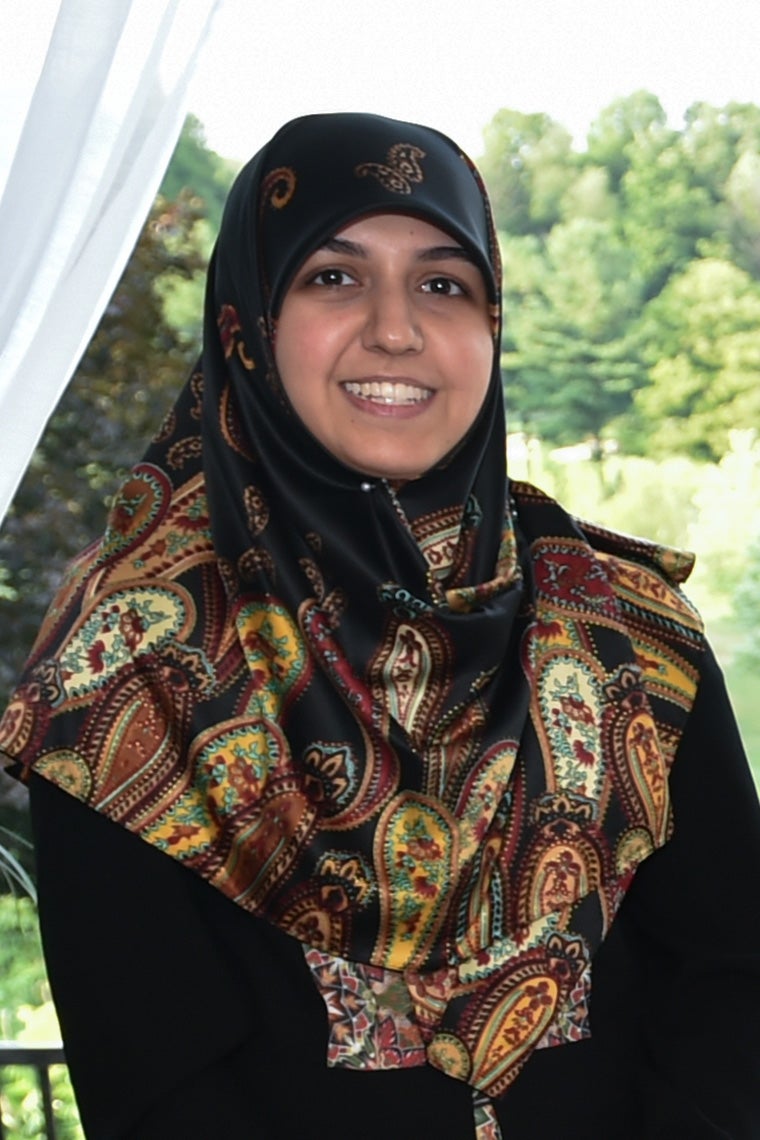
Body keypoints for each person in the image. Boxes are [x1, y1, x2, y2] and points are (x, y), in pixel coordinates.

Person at [1, 111, 759, 1140]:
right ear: (248, 322)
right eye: (334, 277)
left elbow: (730, 980)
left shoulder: (624, 627)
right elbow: (154, 1078)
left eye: (444, 285)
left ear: (493, 326)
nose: (396, 329)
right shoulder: (129, 655)